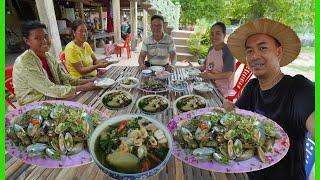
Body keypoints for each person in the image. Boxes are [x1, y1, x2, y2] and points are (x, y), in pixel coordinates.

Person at [223, 18, 314, 180]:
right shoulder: (252, 88)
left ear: (278, 52)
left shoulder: (298, 88)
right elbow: (238, 115)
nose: (254, 56)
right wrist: (231, 109)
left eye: (263, 48)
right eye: (249, 51)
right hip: (248, 173)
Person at [13, 21, 99, 106]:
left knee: (83, 96)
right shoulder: (24, 63)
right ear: (27, 41)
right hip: (34, 103)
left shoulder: (49, 57)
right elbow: (49, 88)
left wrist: (88, 81)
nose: (44, 41)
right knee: (79, 100)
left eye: (46, 36)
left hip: (51, 94)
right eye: (38, 38)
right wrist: (83, 87)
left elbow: (64, 78)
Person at [189, 22, 235, 97]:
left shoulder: (228, 51)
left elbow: (228, 74)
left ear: (224, 35)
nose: (214, 36)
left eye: (218, 33)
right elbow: (204, 66)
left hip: (221, 89)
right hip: (208, 84)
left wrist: (209, 76)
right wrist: (193, 68)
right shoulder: (211, 49)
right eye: (212, 34)